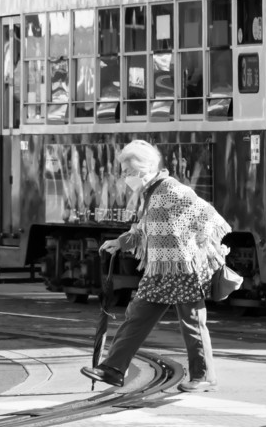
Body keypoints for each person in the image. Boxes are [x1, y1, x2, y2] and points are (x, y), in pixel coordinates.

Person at [81, 139, 232, 392]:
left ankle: (204, 377)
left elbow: (209, 215)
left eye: (128, 171)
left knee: (193, 324)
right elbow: (143, 230)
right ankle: (113, 370)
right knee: (136, 318)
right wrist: (120, 243)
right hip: (160, 271)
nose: (125, 176)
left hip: (184, 270)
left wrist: (205, 243)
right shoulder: (150, 193)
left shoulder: (171, 189)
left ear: (143, 169)